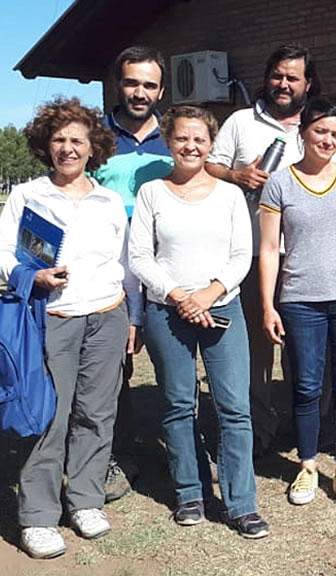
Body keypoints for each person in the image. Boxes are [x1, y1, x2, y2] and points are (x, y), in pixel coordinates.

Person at [0, 97, 141, 559]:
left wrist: (132, 317)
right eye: (59, 139)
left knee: (97, 413)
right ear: (46, 145)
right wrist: (32, 277)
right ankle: (38, 515)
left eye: (77, 140)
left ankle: (85, 500)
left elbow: (126, 265)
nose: (67, 148)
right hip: (51, 319)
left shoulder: (106, 201)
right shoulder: (27, 196)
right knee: (50, 417)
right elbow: (3, 254)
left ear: (93, 146)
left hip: (107, 314)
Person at [206, 43, 336, 456]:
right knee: (257, 349)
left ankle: (313, 427)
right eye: (277, 75)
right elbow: (209, 165)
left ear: (309, 83)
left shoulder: (322, 126)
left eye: (293, 77)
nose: (284, 83)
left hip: (314, 258)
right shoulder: (240, 122)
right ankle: (258, 431)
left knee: (312, 351)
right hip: (256, 254)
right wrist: (238, 174)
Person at [129, 106, 269, 538]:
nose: (190, 146)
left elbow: (241, 255)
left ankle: (240, 502)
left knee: (234, 407)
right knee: (176, 403)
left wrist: (208, 294)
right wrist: (178, 296)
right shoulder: (152, 192)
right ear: (169, 142)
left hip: (221, 308)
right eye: (182, 138)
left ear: (211, 146)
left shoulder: (229, 195)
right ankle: (190, 491)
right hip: (168, 312)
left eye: (199, 139)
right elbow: (139, 256)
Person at [259, 98, 336, 507]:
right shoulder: (279, 184)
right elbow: (268, 250)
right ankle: (308, 465)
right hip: (300, 302)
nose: (328, 139)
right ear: (303, 133)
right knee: (307, 386)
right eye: (320, 131)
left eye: (335, 133)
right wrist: (268, 305)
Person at [91, 45, 174, 503]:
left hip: (166, 271)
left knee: (176, 364)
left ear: (161, 89)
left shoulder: (176, 137)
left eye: (148, 84)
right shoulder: (94, 138)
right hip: (109, 273)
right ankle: (114, 457)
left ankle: (184, 447)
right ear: (117, 85)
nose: (139, 92)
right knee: (112, 369)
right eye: (131, 82)